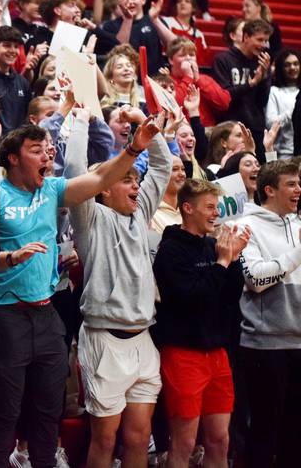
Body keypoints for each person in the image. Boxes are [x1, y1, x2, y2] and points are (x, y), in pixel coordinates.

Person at [0, 110, 164, 468]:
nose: (47, 155)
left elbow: (94, 179)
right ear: (13, 157)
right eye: (37, 149)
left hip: (47, 311)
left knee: (49, 410)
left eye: (48, 148)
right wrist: (8, 257)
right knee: (6, 410)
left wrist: (132, 147)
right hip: (4, 311)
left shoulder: (52, 190)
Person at [64, 105, 171, 468]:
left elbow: (163, 167)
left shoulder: (140, 212)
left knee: (139, 438)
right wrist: (79, 121)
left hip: (143, 339)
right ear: (104, 189)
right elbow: (75, 173)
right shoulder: (90, 218)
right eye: (126, 180)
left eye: (135, 181)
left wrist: (143, 122)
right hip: (104, 340)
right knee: (105, 439)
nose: (136, 186)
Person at [153, 179, 249, 467]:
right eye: (209, 207)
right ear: (187, 208)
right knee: (184, 442)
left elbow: (230, 297)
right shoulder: (170, 250)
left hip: (217, 353)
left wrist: (234, 258)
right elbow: (194, 297)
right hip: (183, 354)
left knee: (220, 439)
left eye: (216, 207)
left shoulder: (212, 246)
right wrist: (222, 263)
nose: (215, 213)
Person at [237, 160, 301, 467]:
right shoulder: (245, 226)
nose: (299, 190)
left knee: (295, 436)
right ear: (269, 190)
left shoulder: (298, 225)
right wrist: (297, 254)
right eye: (291, 184)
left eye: (299, 183)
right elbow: (256, 280)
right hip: (265, 345)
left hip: (299, 343)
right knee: (264, 433)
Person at [212, 19, 273, 161]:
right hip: (231, 128)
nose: (263, 45)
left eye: (266, 41)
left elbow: (262, 101)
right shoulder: (223, 60)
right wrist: (251, 84)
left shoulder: (262, 63)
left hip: (256, 128)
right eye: (259, 40)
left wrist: (264, 79)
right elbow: (224, 96)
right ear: (246, 37)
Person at [100, 0, 176, 76]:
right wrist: (128, 19)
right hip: (127, 82)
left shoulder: (154, 20)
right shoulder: (110, 26)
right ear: (119, 1)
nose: (130, 2)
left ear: (143, 0)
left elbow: (175, 46)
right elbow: (119, 52)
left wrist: (155, 20)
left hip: (156, 80)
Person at [167, 37, 230, 127]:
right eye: (182, 55)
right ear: (171, 60)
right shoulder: (166, 81)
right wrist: (188, 77)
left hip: (207, 131)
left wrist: (198, 80)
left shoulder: (204, 79)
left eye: (191, 55)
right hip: (179, 131)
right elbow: (174, 106)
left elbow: (223, 103)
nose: (188, 58)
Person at [160, 0, 211, 67]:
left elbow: (203, 61)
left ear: (193, 8)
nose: (182, 3)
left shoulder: (198, 34)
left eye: (187, 1)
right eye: (179, 1)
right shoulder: (166, 21)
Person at [266, 49, 300, 158]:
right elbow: (270, 124)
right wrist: (294, 110)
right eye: (287, 65)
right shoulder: (274, 91)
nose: (292, 68)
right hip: (283, 153)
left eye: (296, 64)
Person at [151, 155, 187, 233]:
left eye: (183, 169)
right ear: (159, 175)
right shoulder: (151, 214)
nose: (182, 174)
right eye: (174, 169)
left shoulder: (189, 208)